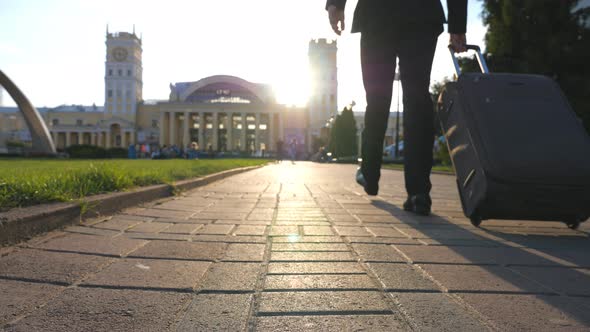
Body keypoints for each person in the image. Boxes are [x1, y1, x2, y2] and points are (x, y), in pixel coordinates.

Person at [326, 0, 467, 216]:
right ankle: (419, 192)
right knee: (417, 98)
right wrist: (457, 24)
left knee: (377, 97)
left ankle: (370, 174)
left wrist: (336, 5)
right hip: (421, 15)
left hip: (377, 14)